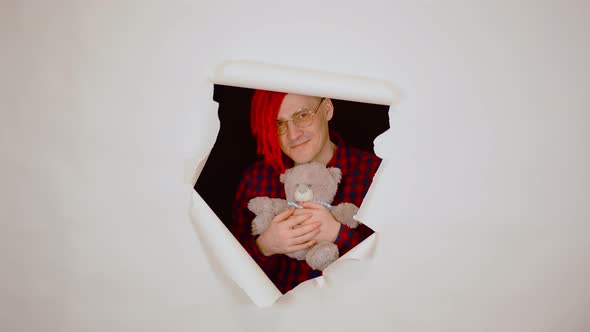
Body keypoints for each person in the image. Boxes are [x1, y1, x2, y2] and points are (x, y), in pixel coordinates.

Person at [230, 90, 381, 294]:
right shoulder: (258, 178)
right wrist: (265, 246)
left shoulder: (372, 173)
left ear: (327, 110)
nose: (292, 135)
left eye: (302, 115)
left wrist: (338, 234)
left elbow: (395, 268)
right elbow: (228, 278)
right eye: (279, 123)